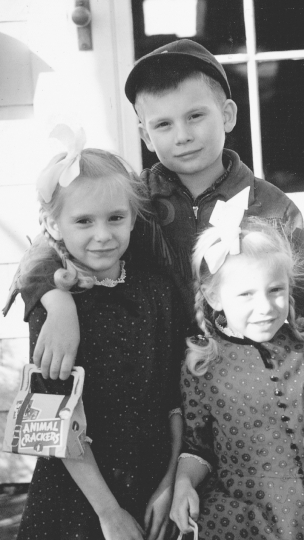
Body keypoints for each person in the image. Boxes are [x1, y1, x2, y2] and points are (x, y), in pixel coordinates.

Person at [6, 40, 304, 469]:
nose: (182, 135)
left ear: (226, 114)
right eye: (163, 124)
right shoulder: (136, 198)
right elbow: (47, 245)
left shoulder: (268, 205)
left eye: (195, 116)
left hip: (258, 389)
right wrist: (56, 304)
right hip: (162, 390)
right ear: (146, 136)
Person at [13, 126, 186, 540]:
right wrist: (108, 513)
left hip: (153, 477)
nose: (103, 235)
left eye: (115, 218)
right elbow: (52, 417)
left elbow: (174, 396)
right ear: (52, 225)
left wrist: (171, 480)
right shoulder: (53, 308)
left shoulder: (156, 291)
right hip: (81, 492)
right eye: (83, 221)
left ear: (133, 218)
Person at [169, 211, 304, 539]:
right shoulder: (202, 365)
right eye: (246, 294)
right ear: (215, 296)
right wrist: (184, 483)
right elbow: (198, 446)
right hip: (248, 511)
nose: (266, 307)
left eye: (276, 290)